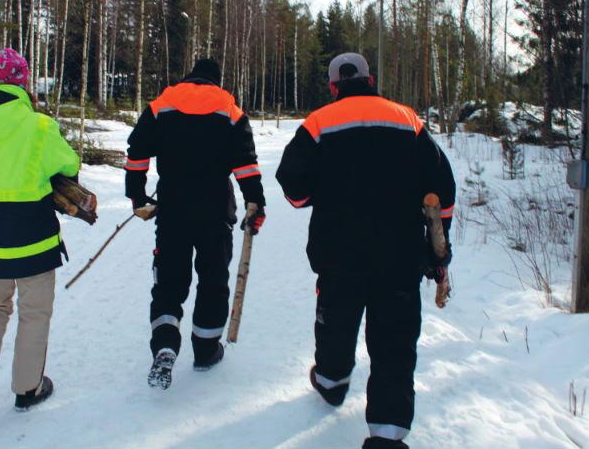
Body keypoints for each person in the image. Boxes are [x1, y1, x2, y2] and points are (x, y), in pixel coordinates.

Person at [276, 53, 456, 449]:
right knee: (394, 343)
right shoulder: (408, 120)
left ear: (334, 86)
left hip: (339, 255)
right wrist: (439, 245)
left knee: (335, 324)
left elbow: (294, 187)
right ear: (370, 79)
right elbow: (442, 188)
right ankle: (388, 435)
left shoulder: (319, 123)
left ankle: (332, 383)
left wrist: (317, 190)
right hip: (400, 257)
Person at [0, 48, 80, 422]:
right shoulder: (38, 126)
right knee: (34, 313)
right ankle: (28, 388)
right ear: (24, 84)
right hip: (34, 242)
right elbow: (69, 164)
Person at [125, 58, 266, 390]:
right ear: (216, 80)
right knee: (213, 279)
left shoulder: (163, 105)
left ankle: (164, 343)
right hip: (216, 211)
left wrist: (137, 196)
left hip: (173, 209)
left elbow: (137, 152)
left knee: (169, 282)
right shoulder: (228, 109)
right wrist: (255, 203)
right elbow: (246, 164)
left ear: (189, 76)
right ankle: (205, 350)